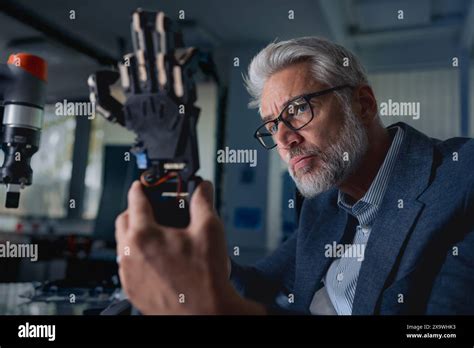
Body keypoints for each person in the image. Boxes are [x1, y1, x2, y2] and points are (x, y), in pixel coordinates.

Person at [112, 37, 474, 315]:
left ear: (363, 104)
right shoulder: (324, 208)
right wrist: (205, 258)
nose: (283, 138)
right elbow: (260, 286)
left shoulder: (464, 176)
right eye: (271, 126)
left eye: (298, 109)